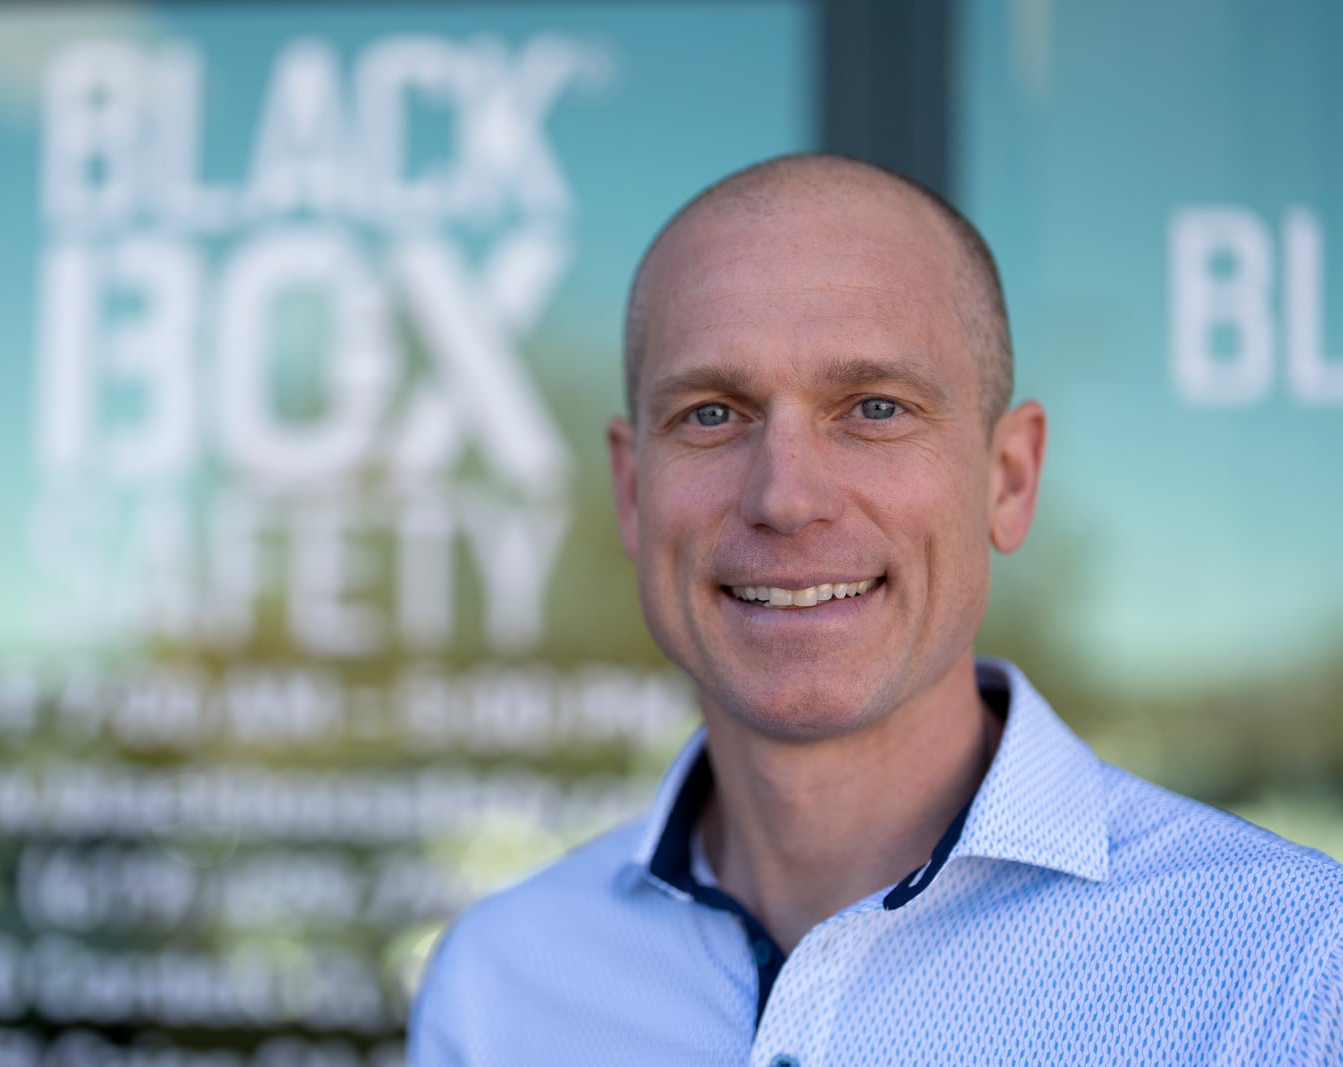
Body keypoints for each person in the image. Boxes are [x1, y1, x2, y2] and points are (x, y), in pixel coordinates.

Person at [408, 154, 1343, 1065]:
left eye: (876, 408)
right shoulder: (500, 982)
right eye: (711, 413)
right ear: (629, 487)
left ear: (1008, 479)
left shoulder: (1296, 970)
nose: (786, 496)